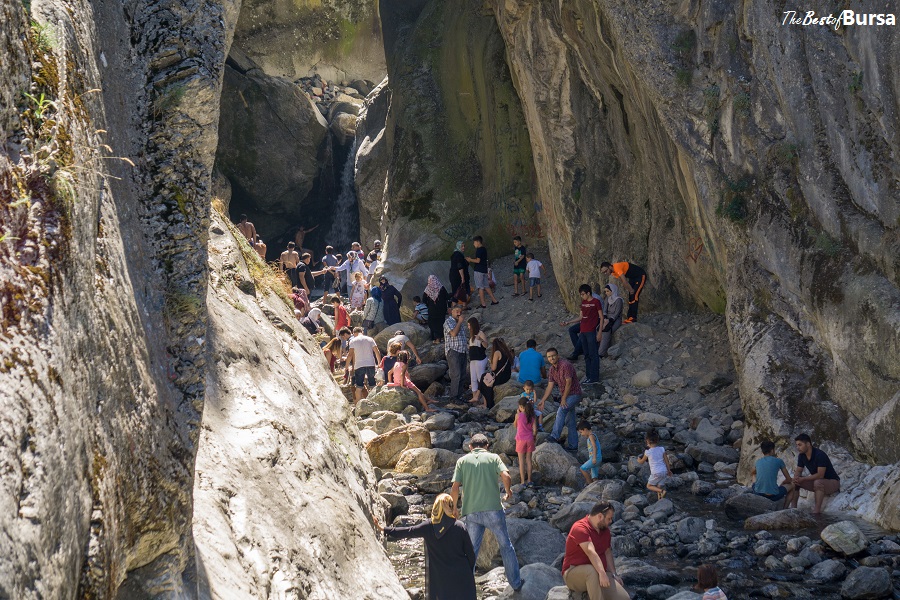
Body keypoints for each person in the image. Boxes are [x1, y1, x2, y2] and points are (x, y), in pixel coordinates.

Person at [450, 434, 524, 592]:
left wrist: (454, 508)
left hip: (471, 512)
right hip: (493, 511)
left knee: (471, 551)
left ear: (470, 447)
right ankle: (516, 583)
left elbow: (455, 487)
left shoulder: (462, 461)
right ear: (487, 446)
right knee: (506, 546)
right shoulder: (493, 458)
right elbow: (506, 475)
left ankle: (464, 586)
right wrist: (508, 491)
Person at [376, 493, 477, 600]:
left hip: (441, 581)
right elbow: (471, 556)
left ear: (436, 507)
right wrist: (468, 573)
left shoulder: (428, 527)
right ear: (451, 507)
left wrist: (384, 529)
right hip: (462, 577)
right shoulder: (460, 527)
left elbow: (408, 531)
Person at [562, 502, 630, 600]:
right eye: (609, 518)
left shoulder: (605, 530)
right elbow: (591, 552)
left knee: (624, 598)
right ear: (600, 516)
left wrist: (614, 574)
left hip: (598, 573)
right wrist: (602, 573)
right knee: (591, 571)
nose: (611, 521)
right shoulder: (580, 528)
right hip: (573, 574)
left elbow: (607, 552)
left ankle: (592, 591)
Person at [539, 348, 583, 453]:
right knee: (570, 421)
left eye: (553, 356)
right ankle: (573, 446)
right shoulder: (551, 369)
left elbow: (569, 382)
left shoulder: (565, 365)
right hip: (566, 395)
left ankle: (554, 436)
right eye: (549, 357)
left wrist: (563, 398)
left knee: (561, 410)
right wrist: (543, 400)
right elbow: (550, 386)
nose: (551, 358)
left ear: (558, 355)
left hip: (574, 394)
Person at [786, 433, 840, 514]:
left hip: (832, 482)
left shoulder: (820, 455)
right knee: (795, 482)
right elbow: (799, 470)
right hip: (818, 482)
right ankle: (793, 509)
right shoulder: (802, 456)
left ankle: (816, 511)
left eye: (800, 445)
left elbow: (820, 475)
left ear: (808, 444)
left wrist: (803, 478)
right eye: (797, 445)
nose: (798, 448)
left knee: (818, 482)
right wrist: (796, 477)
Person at [560, 284, 603, 385]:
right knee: (586, 354)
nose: (582, 296)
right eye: (581, 294)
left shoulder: (596, 302)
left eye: (583, 294)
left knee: (593, 354)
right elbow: (581, 317)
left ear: (588, 293)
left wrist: (600, 332)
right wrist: (568, 322)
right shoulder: (583, 303)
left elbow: (601, 317)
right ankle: (588, 376)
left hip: (591, 331)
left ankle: (594, 377)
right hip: (583, 331)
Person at [751, 440, 794, 505]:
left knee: (754, 476)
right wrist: (783, 483)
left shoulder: (758, 461)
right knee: (793, 485)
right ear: (772, 450)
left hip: (758, 493)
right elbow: (789, 479)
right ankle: (785, 508)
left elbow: (752, 472)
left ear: (763, 451)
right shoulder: (779, 461)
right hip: (772, 496)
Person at [347, 326, 381, 403]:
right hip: (370, 364)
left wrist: (346, 366)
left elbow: (350, 354)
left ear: (354, 333)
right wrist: (379, 363)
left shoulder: (353, 341)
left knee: (359, 387)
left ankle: (358, 405)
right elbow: (377, 351)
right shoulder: (370, 339)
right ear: (362, 332)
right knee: (372, 385)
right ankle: (375, 403)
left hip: (359, 365)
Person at [477, 338, 513, 409]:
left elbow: (493, 368)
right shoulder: (507, 352)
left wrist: (491, 362)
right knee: (487, 378)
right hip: (506, 376)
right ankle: (478, 397)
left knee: (484, 378)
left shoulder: (497, 352)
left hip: (500, 377)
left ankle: (486, 403)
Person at [637, 429, 672, 500]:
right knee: (658, 486)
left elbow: (642, 462)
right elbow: (666, 461)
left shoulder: (648, 452)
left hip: (656, 472)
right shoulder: (662, 449)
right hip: (664, 471)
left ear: (647, 441)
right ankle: (660, 498)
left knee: (649, 486)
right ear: (657, 440)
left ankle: (662, 491)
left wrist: (638, 459)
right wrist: (669, 470)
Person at [466, 236, 499, 308]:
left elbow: (478, 261)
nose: (473, 244)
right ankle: (494, 300)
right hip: (484, 270)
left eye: (474, 242)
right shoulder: (484, 249)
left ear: (478, 242)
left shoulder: (479, 250)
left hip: (478, 271)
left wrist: (470, 260)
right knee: (486, 286)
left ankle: (483, 304)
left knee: (480, 287)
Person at [443, 305, 468, 402]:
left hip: (462, 351)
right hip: (453, 351)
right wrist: (460, 322)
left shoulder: (459, 323)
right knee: (456, 374)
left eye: (460, 311)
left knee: (462, 374)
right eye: (457, 311)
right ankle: (453, 397)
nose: (459, 313)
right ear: (451, 311)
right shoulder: (448, 322)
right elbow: (453, 334)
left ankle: (460, 396)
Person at [466, 317, 490, 406]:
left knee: (481, 378)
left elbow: (486, 345)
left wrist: (480, 339)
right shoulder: (471, 336)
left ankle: (485, 401)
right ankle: (475, 399)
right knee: (473, 379)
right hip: (473, 360)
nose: (468, 327)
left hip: (480, 359)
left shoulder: (480, 333)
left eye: (469, 325)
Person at [514, 397, 537, 486]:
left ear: (520, 406)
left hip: (520, 439)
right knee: (528, 460)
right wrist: (534, 437)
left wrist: (517, 414)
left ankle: (523, 481)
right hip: (530, 439)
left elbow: (515, 425)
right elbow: (534, 430)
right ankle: (530, 480)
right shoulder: (532, 416)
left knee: (521, 461)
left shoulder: (518, 415)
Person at [598, 284, 623, 358]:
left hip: (615, 319)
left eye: (608, 291)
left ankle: (601, 353)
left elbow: (616, 313)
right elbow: (604, 310)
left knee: (606, 330)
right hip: (607, 318)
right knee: (598, 328)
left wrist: (609, 321)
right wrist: (605, 318)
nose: (606, 293)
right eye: (605, 291)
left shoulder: (619, 300)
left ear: (613, 291)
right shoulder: (607, 299)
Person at [423, 275, 449, 342]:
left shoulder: (427, 290)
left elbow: (424, 300)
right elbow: (447, 296)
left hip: (432, 310)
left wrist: (429, 304)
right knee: (441, 323)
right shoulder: (441, 287)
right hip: (442, 309)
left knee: (433, 323)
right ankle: (442, 336)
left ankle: (435, 338)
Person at [449, 241, 470, 305]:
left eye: (464, 246)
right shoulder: (459, 255)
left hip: (453, 276)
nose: (463, 248)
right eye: (462, 246)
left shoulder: (454, 254)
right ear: (458, 247)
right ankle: (464, 306)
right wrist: (462, 278)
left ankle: (454, 307)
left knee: (455, 292)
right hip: (458, 276)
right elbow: (460, 267)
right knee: (463, 290)